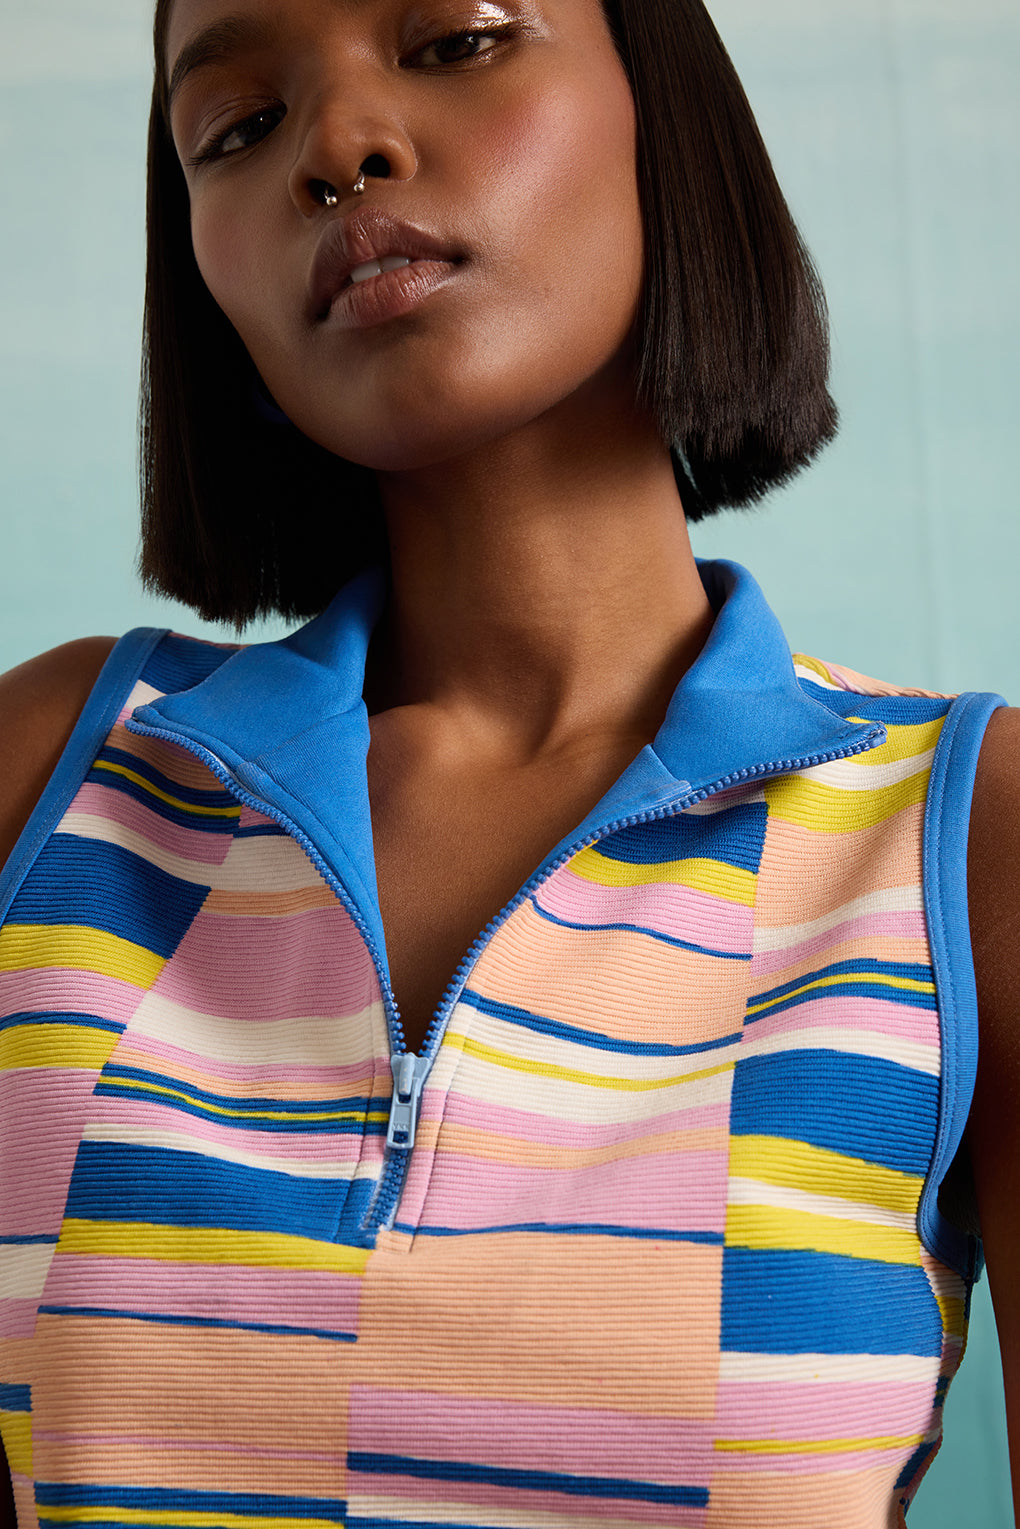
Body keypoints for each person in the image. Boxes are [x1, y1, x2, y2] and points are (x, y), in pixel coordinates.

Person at [0, 0, 1017, 1522]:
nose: (338, 147)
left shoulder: (971, 842)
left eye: (459, 39)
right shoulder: (48, 779)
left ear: (662, 105)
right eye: (237, 127)